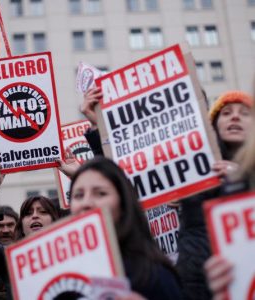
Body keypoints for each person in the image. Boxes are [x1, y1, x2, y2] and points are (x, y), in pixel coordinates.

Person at [69, 156, 182, 300]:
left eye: (100, 193)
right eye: (78, 195)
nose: (86, 202)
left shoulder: (154, 274)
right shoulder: (62, 276)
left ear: (123, 205)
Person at [176, 90, 254, 300]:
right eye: (226, 113)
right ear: (214, 124)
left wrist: (242, 182)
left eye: (244, 113)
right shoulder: (194, 165)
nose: (235, 117)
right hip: (195, 283)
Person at [0, 164, 60, 299]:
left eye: (43, 212)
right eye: (28, 213)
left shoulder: (74, 251)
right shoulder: (10, 257)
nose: (35, 215)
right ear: (21, 225)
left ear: (55, 220)